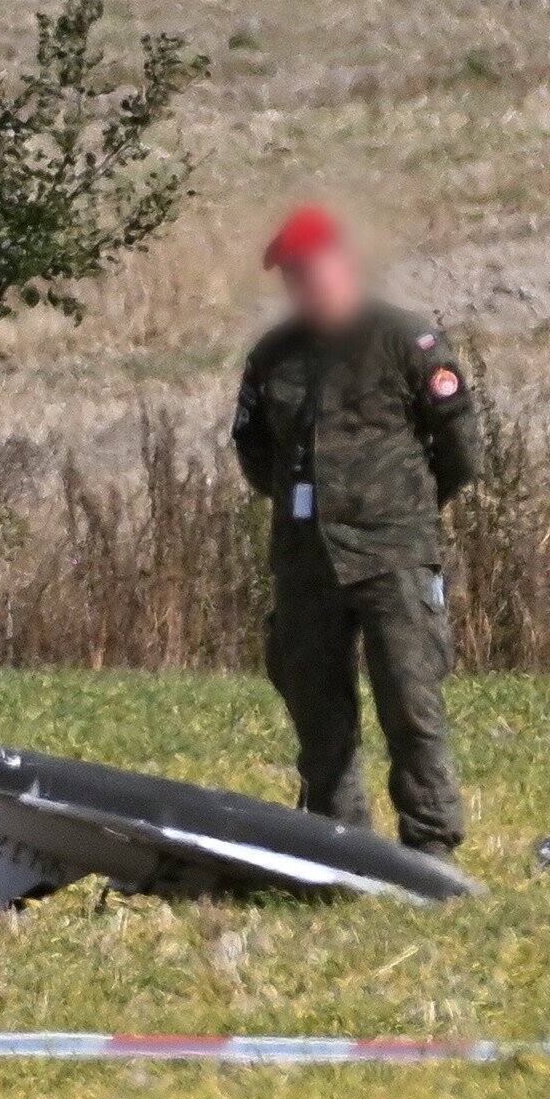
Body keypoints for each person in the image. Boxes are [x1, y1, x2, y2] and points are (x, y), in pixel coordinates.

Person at [229, 203, 481, 862]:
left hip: (392, 554)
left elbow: (461, 445)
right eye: (291, 276)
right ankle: (338, 845)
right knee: (320, 717)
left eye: (311, 271)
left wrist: (410, 510)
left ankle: (430, 844)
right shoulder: (273, 358)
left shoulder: (405, 341)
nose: (302, 286)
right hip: (307, 562)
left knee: (411, 703)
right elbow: (254, 452)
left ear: (343, 265)